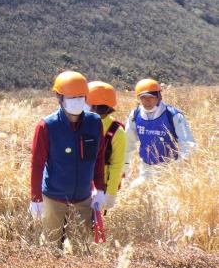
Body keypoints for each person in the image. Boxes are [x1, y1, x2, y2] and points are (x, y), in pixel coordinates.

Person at [29, 71, 106, 249]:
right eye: (72, 97)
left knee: (83, 248)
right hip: (53, 198)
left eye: (81, 96)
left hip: (83, 198)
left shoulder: (94, 123)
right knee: (51, 247)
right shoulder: (47, 126)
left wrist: (100, 188)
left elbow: (99, 157)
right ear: (59, 97)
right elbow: (37, 164)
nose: (77, 100)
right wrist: (35, 198)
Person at [124, 79, 195, 187]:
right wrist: (125, 167)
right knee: (134, 190)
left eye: (151, 97)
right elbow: (127, 144)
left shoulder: (173, 115)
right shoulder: (134, 115)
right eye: (143, 98)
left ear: (158, 96)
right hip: (146, 168)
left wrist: (179, 167)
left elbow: (188, 144)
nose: (147, 101)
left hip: (170, 169)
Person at [85, 81, 127, 210]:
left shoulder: (117, 132)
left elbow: (117, 165)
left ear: (94, 106)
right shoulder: (80, 123)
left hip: (100, 187)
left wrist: (111, 193)